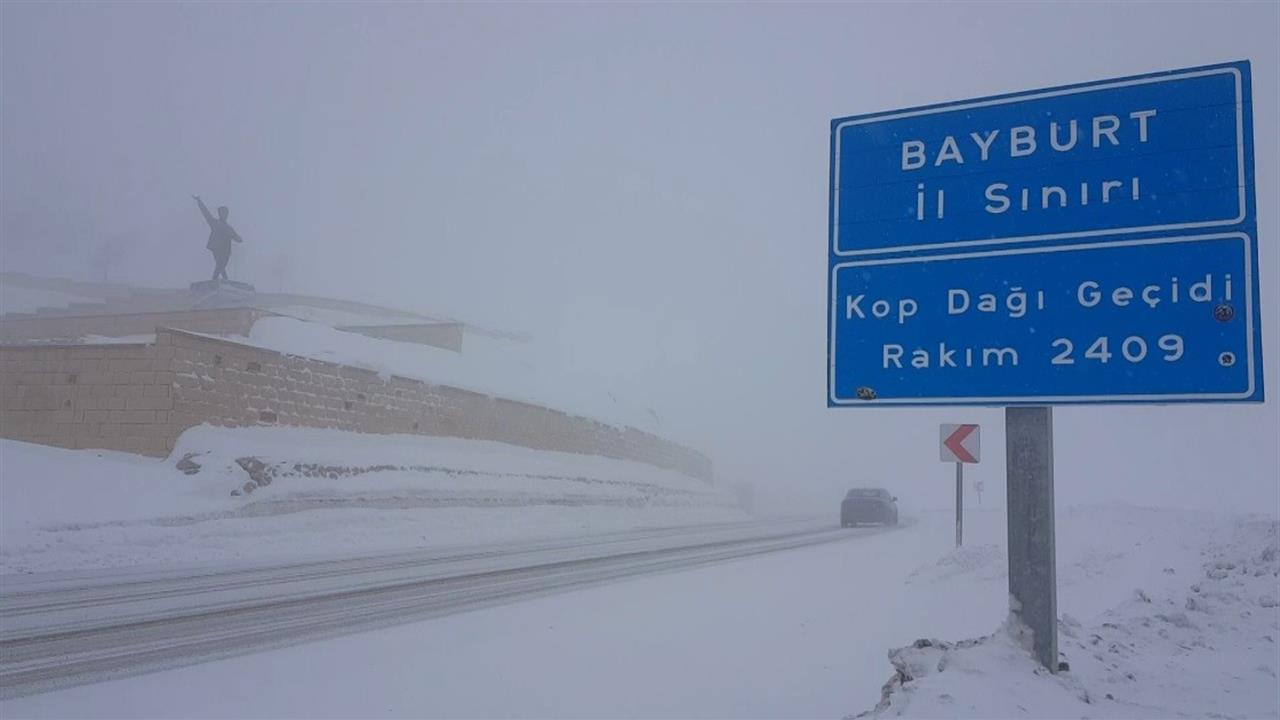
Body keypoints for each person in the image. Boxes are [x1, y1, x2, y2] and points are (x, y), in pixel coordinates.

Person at [193, 195, 242, 281]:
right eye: (223, 213)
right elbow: (206, 213)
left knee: (221, 266)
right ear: (220, 214)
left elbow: (237, 238)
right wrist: (199, 202)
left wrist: (239, 238)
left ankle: (222, 280)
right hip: (217, 249)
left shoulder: (229, 228)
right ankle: (219, 280)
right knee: (220, 265)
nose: (225, 215)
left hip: (226, 251)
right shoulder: (215, 223)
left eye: (226, 213)